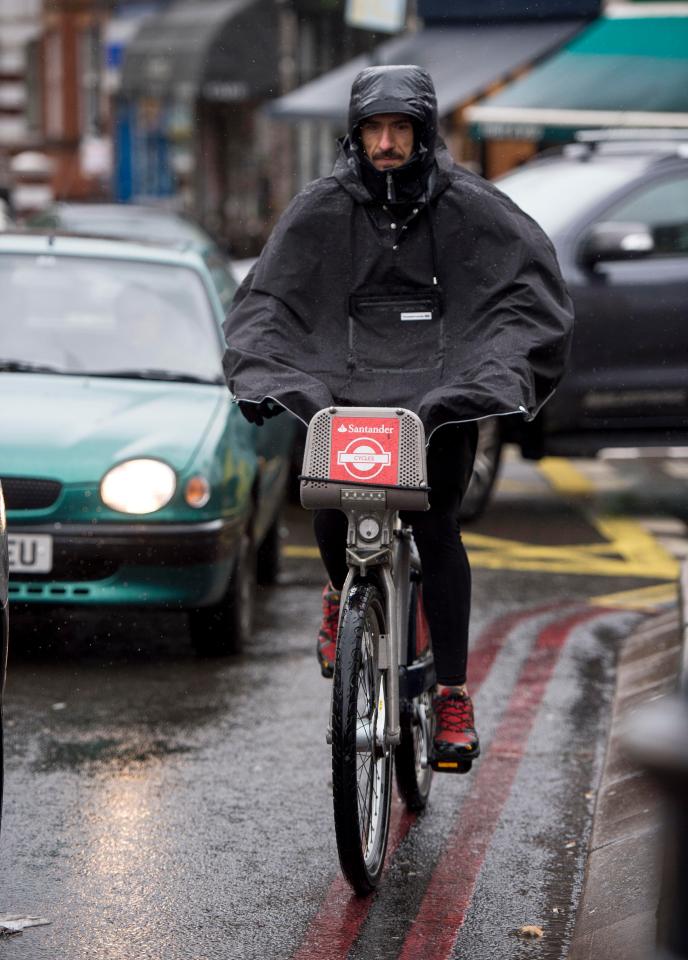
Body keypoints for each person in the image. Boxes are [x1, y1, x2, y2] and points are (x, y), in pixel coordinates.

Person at [222, 65, 573, 768]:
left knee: (437, 529)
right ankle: (341, 595)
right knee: (329, 503)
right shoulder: (322, 206)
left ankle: (450, 694)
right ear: (355, 135)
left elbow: (524, 292)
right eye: (373, 130)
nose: (386, 143)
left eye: (399, 129)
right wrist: (262, 369)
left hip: (436, 403)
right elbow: (269, 300)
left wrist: (498, 375)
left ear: (423, 132)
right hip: (345, 397)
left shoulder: (470, 204)